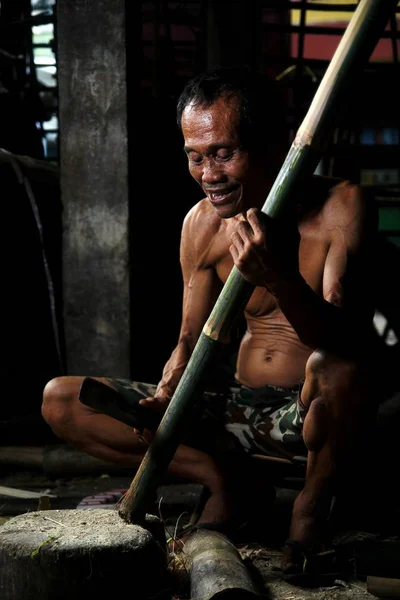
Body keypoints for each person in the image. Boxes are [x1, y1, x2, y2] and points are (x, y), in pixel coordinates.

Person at [41, 66, 379, 576]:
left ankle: (308, 508)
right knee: (62, 399)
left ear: (271, 145)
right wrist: (171, 386)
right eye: (195, 157)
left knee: (341, 368)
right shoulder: (202, 223)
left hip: (309, 417)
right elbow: (189, 339)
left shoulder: (341, 207)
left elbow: (340, 342)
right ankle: (223, 479)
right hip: (235, 412)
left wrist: (280, 278)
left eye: (223, 153)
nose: (208, 174)